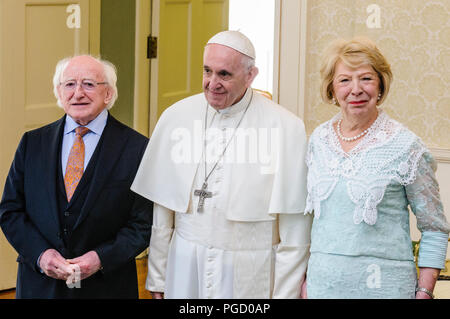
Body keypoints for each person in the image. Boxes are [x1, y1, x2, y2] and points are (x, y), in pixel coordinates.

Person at [131, 30, 312, 299]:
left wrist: (285, 295)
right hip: (185, 267)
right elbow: (163, 212)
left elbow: (295, 231)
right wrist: (158, 278)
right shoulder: (177, 117)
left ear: (250, 76)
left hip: (250, 272)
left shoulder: (286, 127)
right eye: (207, 71)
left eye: (224, 74)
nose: (212, 83)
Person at [303, 37, 449, 299]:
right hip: (322, 287)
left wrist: (425, 291)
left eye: (366, 79)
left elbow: (434, 227)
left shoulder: (406, 145)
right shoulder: (318, 140)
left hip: (386, 288)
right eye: (345, 80)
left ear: (381, 84)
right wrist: (305, 281)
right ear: (332, 89)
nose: (356, 89)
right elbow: (312, 222)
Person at [0, 55, 152, 298]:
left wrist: (99, 258)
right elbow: (10, 211)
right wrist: (41, 255)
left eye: (89, 84)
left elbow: (143, 225)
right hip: (39, 286)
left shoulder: (138, 149)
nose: (78, 93)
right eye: (69, 84)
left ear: (109, 94)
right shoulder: (32, 143)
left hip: (106, 288)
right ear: (59, 93)